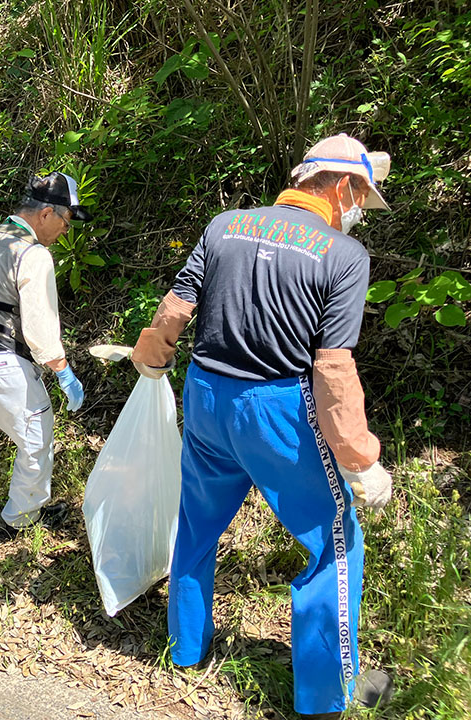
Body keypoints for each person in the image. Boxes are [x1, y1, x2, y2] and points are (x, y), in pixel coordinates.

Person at [131, 133, 395, 719]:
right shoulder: (343, 256)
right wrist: (359, 456)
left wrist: (151, 354)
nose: (359, 211)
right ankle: (331, 695)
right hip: (275, 411)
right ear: (342, 186)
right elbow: (331, 367)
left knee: (197, 525)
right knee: (335, 543)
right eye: (361, 197)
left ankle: (185, 650)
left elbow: (176, 307)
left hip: (204, 395)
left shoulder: (225, 226)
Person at [0, 172, 89, 586]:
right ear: (46, 213)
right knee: (37, 439)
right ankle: (21, 516)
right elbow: (39, 326)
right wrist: (62, 369)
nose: (64, 231)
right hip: (2, 365)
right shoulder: (34, 254)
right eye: (64, 221)